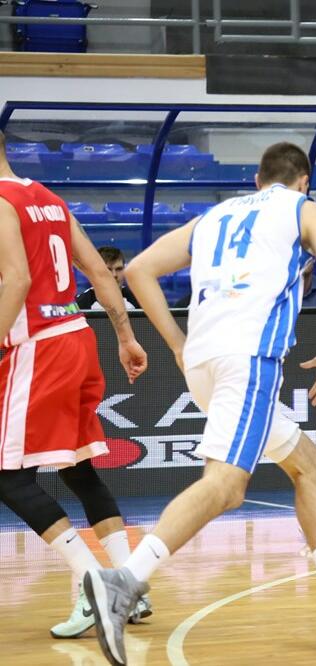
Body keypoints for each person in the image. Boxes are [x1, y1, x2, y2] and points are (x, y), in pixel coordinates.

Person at [84, 142, 316, 666]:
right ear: (303, 181)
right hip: (248, 356)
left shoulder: (214, 215)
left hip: (204, 358)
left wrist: (177, 345)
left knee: (309, 465)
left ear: (255, 179)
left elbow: (136, 271)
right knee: (225, 487)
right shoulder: (304, 209)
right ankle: (123, 581)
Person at [0, 129, 152, 639]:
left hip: (39, 346)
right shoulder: (47, 197)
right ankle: (130, 584)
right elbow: (102, 275)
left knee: (7, 475)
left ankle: (95, 585)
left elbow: (17, 281)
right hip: (77, 338)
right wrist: (127, 338)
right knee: (78, 470)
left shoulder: (0, 202)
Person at [76, 246, 139, 310]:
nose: (114, 275)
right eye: (108, 270)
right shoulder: (80, 304)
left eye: (119, 269)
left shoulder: (138, 299)